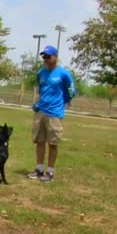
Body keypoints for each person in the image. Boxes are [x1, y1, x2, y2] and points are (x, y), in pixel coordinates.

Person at [27, 45, 76, 183]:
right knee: (39, 141)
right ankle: (39, 169)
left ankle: (50, 172)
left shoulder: (63, 73)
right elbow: (42, 90)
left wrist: (61, 102)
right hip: (40, 112)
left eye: (48, 56)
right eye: (44, 56)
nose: (46, 59)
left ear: (55, 57)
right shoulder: (41, 73)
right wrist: (39, 104)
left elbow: (72, 91)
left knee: (53, 143)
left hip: (54, 114)